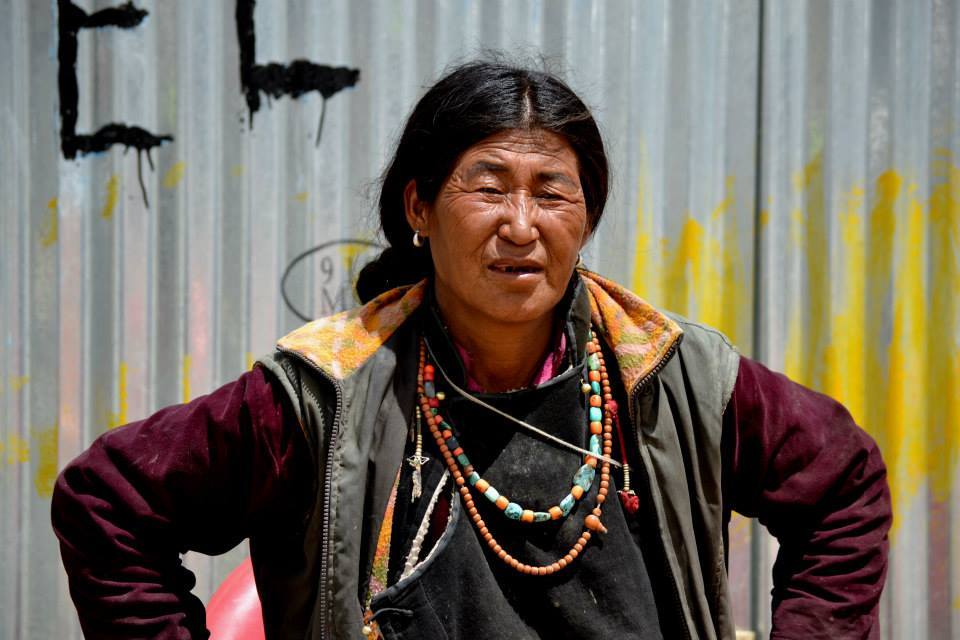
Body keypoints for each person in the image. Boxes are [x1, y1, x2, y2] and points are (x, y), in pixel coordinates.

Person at [52, 60, 891, 640]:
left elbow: (846, 482)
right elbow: (109, 502)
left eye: (552, 192)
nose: (520, 227)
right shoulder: (328, 393)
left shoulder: (669, 374)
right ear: (419, 207)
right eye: (487, 188)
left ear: (585, 217)